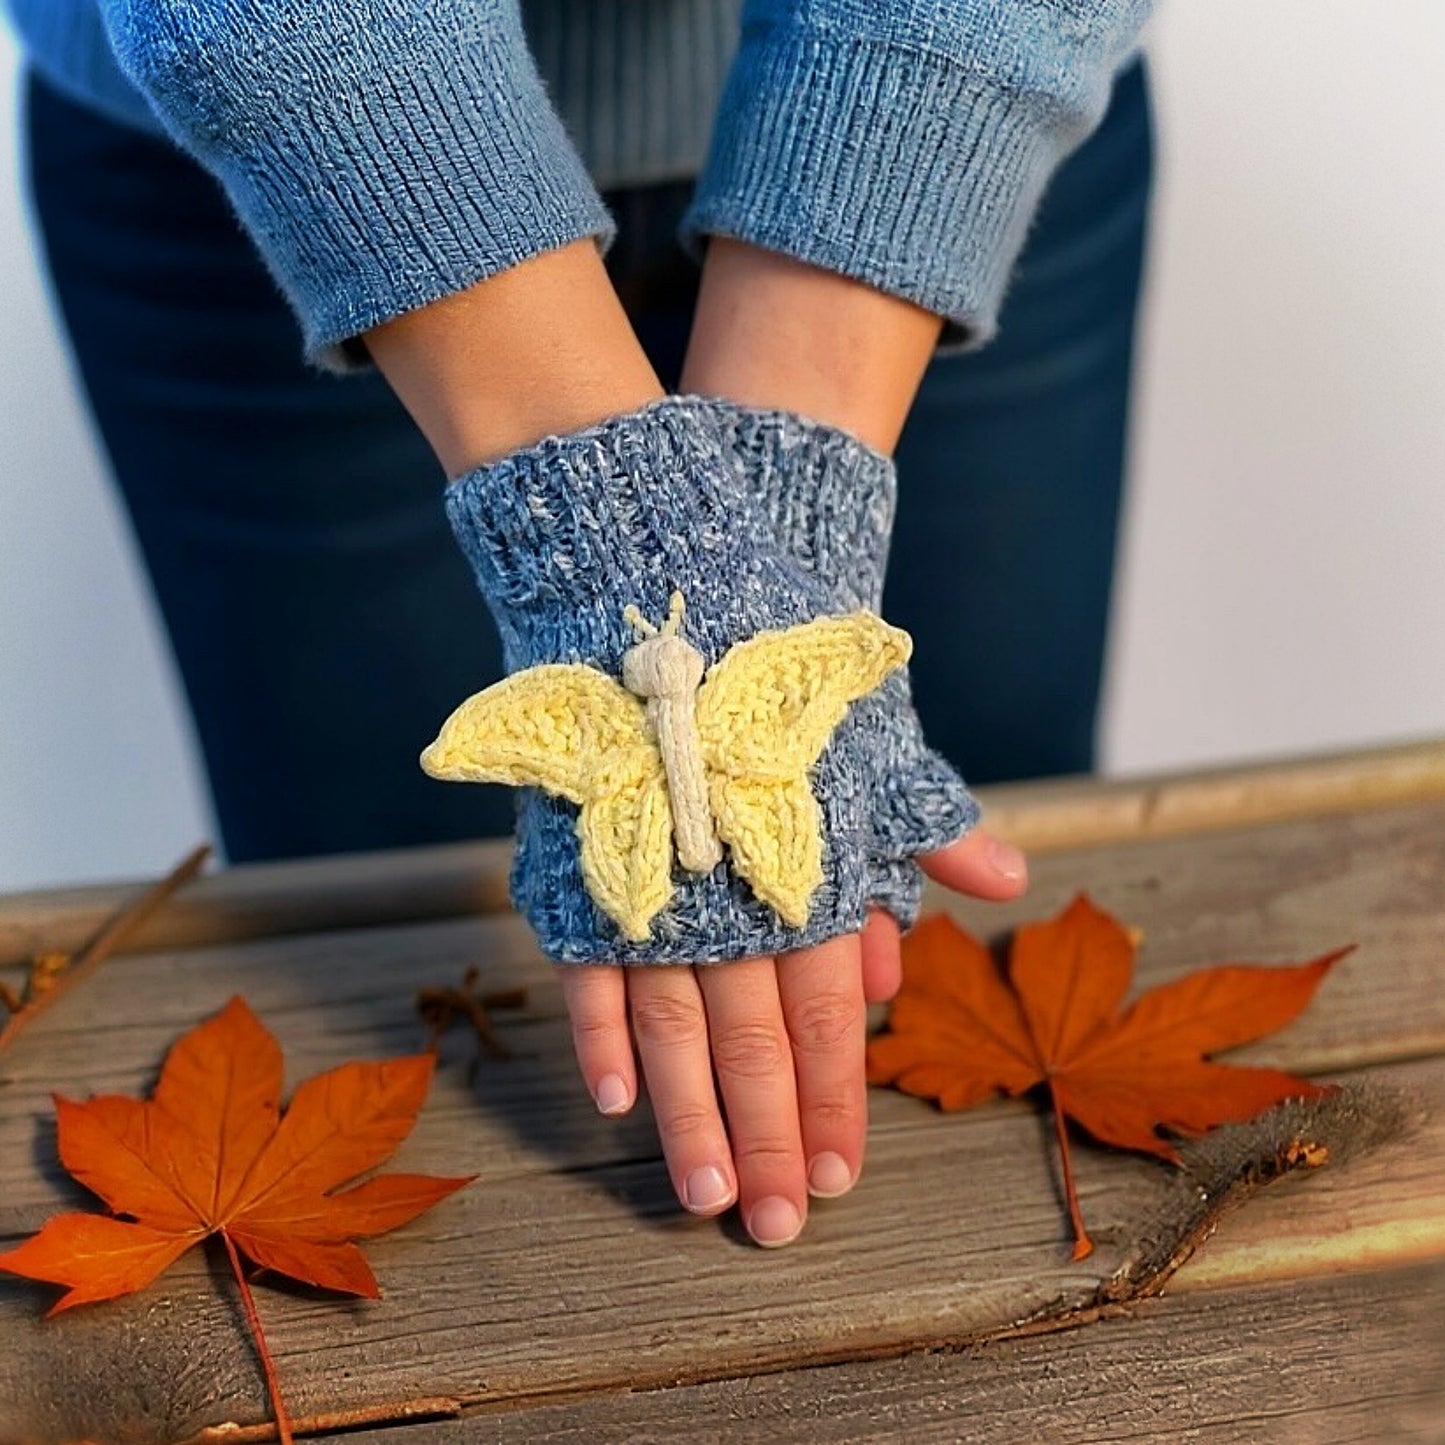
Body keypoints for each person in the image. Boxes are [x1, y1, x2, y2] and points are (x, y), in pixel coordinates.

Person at [8, 0, 1155, 1247]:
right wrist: (601, 520)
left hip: (954, 110)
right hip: (307, 144)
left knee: (979, 962)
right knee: (394, 959)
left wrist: (800, 444)